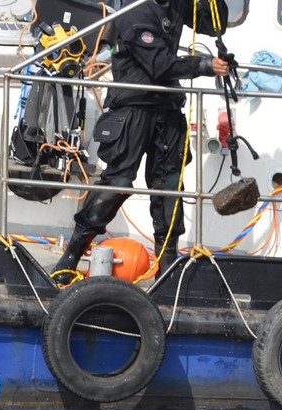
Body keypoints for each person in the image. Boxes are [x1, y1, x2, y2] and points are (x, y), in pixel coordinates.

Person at [51, 0, 230, 283]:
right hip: (132, 107)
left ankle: (168, 267)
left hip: (167, 109)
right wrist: (205, 65)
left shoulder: (178, 5)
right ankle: (71, 255)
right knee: (118, 183)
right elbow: (159, 64)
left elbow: (215, 24)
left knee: (169, 187)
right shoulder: (136, 11)